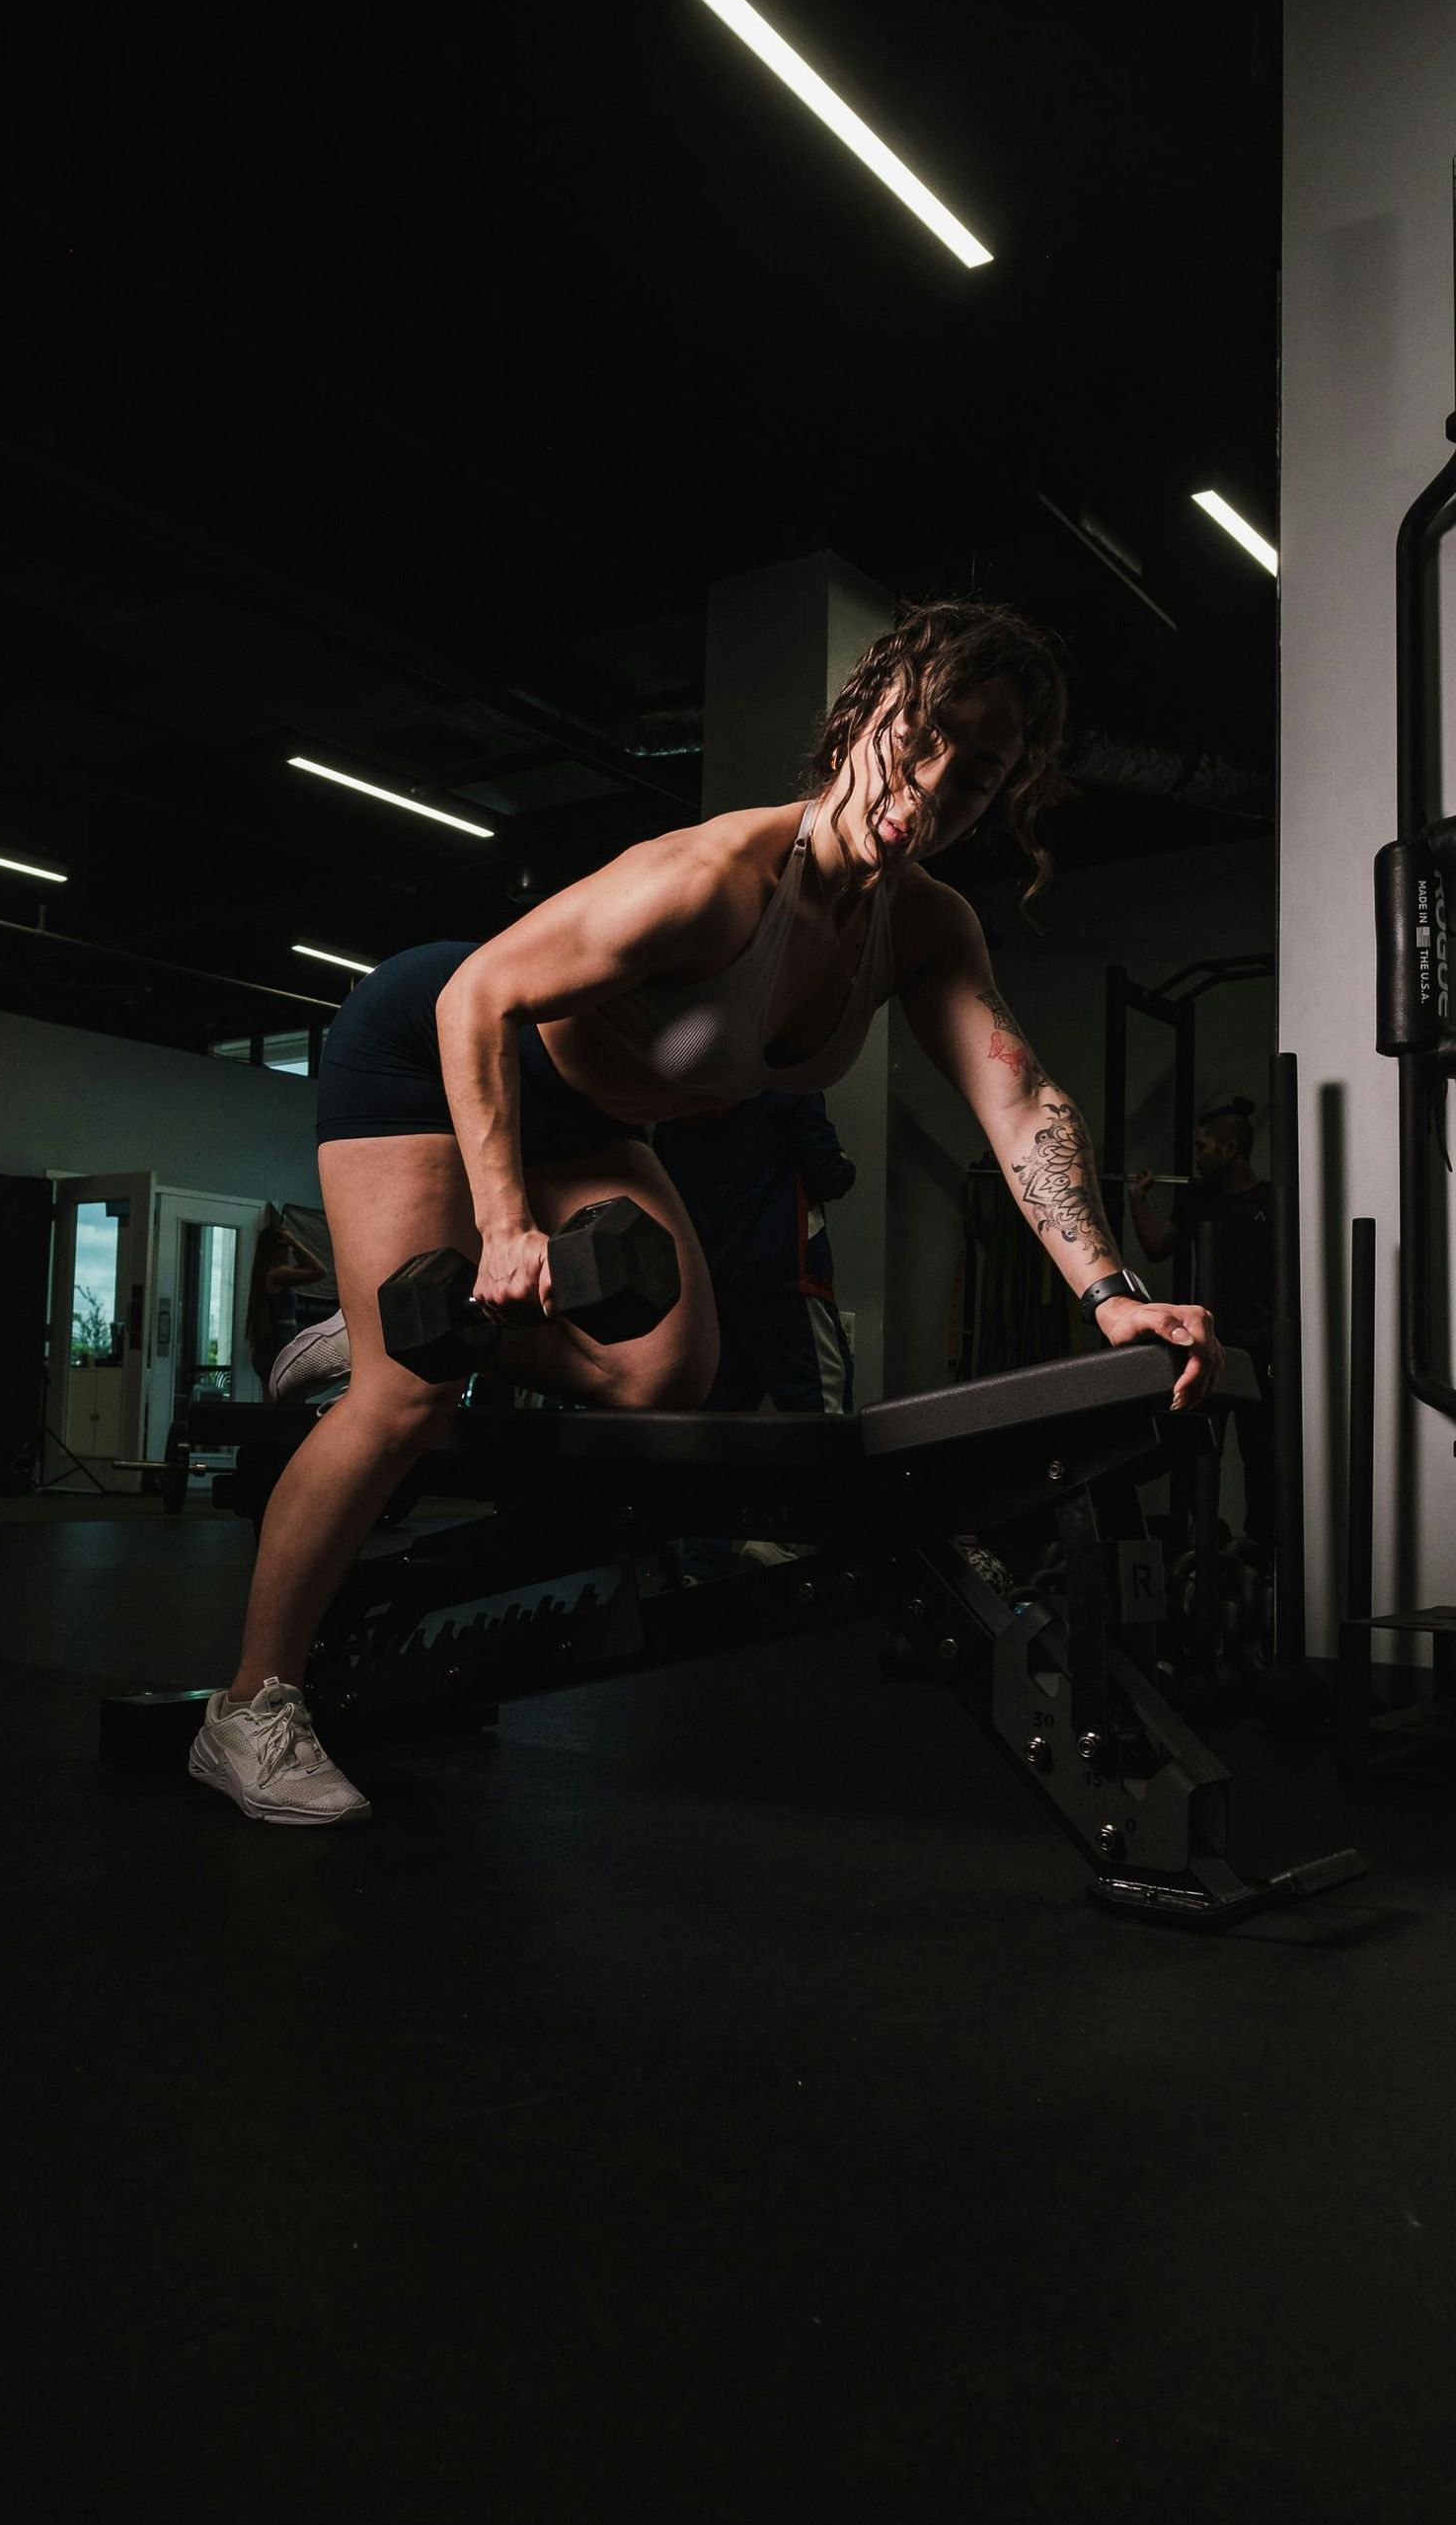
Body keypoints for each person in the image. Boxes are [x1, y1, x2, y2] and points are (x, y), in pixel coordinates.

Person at [188, 596, 1225, 1827]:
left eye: (982, 769)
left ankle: (366, 1320)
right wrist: (508, 1225)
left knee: (666, 1368)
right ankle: (249, 1708)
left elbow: (1023, 1105)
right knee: (404, 1392)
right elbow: (478, 998)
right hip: (429, 1044)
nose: (938, 781)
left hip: (584, 1112)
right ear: (866, 712)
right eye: (926, 735)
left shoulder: (923, 926)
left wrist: (1112, 1296)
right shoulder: (713, 881)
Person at [1126, 1098, 1275, 1548]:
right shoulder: (1198, 1200)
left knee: (1262, 1457)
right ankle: (1200, 1551)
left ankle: (1260, 1551)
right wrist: (1138, 1201)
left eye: (1202, 1146)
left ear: (1230, 1150)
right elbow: (1156, 1246)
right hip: (1207, 1347)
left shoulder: (1273, 1201)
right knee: (1199, 1453)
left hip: (1263, 1350)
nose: (1196, 1155)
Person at [653, 1091, 858, 1416]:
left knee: (719, 1420)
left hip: (711, 1283)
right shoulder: (789, 1083)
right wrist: (845, 1165)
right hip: (784, 1275)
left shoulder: (676, 1095)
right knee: (820, 1406)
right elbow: (830, 1175)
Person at [245, 1215, 332, 1395]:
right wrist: (294, 1241)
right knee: (288, 1405)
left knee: (276, 1405)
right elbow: (319, 1271)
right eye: (285, 1247)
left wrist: (291, 1243)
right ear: (276, 1249)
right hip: (278, 1346)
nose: (289, 1252)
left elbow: (307, 1268)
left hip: (271, 1346)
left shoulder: (269, 1274)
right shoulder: (277, 1275)